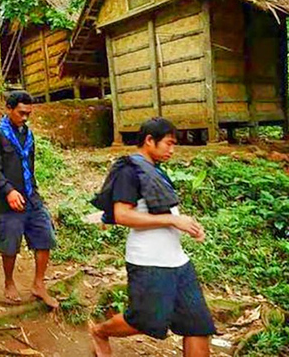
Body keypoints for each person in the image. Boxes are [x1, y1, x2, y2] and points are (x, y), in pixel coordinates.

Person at [88, 117, 214, 357]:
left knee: (198, 326)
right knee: (143, 321)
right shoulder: (129, 170)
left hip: (178, 261)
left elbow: (165, 212)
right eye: (168, 143)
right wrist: (173, 220)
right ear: (149, 140)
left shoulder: (154, 170)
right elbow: (122, 215)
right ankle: (100, 332)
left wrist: (188, 225)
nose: (172, 149)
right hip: (149, 262)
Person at [0, 90, 58, 308]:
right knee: (10, 244)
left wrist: (35, 193)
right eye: (21, 113)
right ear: (9, 109)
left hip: (30, 196)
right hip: (6, 199)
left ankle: (38, 283)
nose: (25, 117)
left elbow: (31, 166)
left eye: (28, 113)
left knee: (45, 235)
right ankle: (9, 282)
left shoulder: (28, 134)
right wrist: (8, 191)